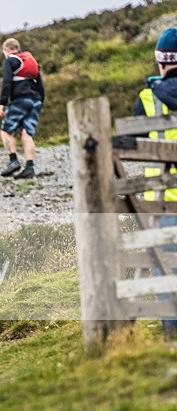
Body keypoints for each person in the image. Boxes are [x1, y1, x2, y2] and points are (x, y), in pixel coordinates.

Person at [134, 27, 177, 340]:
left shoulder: (148, 98)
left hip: (161, 201)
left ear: (161, 61)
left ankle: (171, 337)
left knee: (166, 270)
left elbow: (130, 142)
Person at [0, 38, 45, 180]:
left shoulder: (10, 61)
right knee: (27, 133)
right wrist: (40, 101)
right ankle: (29, 168)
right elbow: (40, 85)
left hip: (20, 100)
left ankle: (13, 161)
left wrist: (2, 103)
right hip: (35, 100)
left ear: (6, 50)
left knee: (5, 131)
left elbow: (6, 82)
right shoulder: (32, 61)